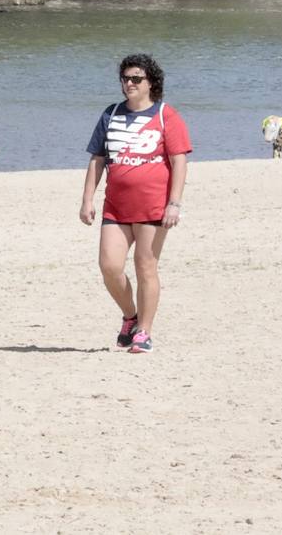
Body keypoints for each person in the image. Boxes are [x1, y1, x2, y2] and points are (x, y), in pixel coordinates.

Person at [80, 54, 190, 354]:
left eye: (136, 79)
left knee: (145, 266)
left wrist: (174, 203)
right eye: (125, 78)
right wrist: (88, 199)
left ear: (150, 82)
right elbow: (97, 159)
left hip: (153, 206)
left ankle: (144, 332)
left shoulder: (166, 115)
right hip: (116, 206)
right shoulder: (112, 113)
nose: (129, 83)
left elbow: (179, 162)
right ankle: (131, 316)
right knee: (109, 267)